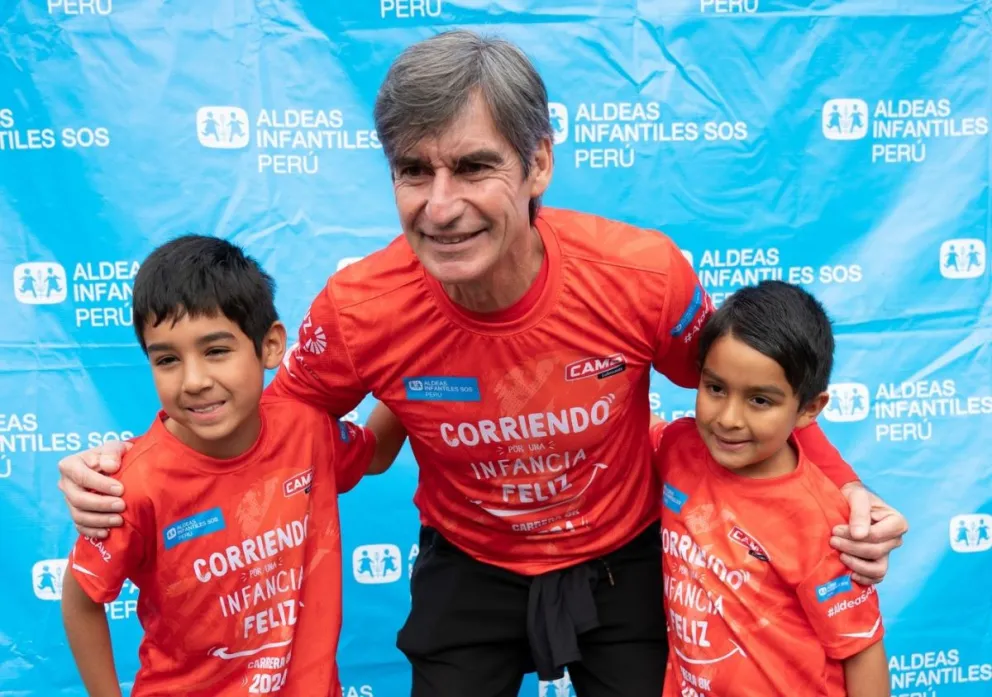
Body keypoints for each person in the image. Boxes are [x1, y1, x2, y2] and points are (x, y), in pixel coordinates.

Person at [56, 30, 909, 697]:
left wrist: (846, 490)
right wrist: (131, 463)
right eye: (412, 172)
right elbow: (273, 413)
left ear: (538, 162)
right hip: (468, 562)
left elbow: (755, 396)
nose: (440, 205)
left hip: (623, 556)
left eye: (473, 167)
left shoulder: (642, 275)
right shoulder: (361, 308)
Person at [60, 235, 406, 697]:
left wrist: (414, 366)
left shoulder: (306, 429)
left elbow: (377, 453)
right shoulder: (132, 482)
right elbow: (80, 597)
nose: (195, 381)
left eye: (216, 350)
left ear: (270, 346)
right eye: (167, 360)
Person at [651, 281, 888, 697]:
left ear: (809, 410)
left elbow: (861, 651)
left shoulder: (824, 522)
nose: (728, 418)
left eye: (760, 401)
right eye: (716, 388)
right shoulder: (677, 448)